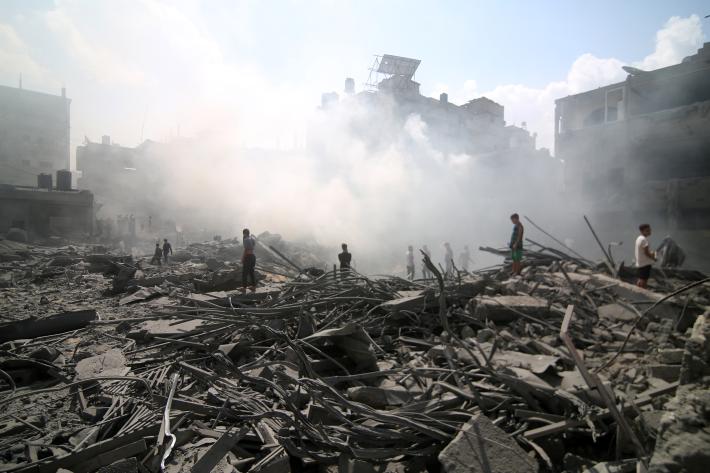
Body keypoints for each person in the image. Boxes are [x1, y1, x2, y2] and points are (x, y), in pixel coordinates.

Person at [635, 223, 657, 288]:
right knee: (644, 280)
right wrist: (654, 258)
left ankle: (638, 291)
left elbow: (643, 251)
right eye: (647, 230)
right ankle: (643, 294)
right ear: (642, 231)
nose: (649, 232)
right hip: (645, 263)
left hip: (640, 262)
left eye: (649, 230)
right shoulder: (644, 240)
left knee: (641, 279)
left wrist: (651, 253)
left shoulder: (639, 238)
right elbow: (646, 253)